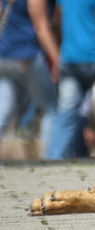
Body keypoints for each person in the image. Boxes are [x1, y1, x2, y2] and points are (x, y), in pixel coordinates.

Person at [46, 0, 95, 159]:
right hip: (94, 60)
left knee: (66, 113)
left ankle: (54, 159)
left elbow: (57, 19)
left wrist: (64, 46)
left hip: (70, 59)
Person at [0, 0, 59, 156]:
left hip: (5, 55)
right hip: (27, 55)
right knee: (50, 109)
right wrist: (56, 60)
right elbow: (41, 27)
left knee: (3, 110)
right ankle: (51, 160)